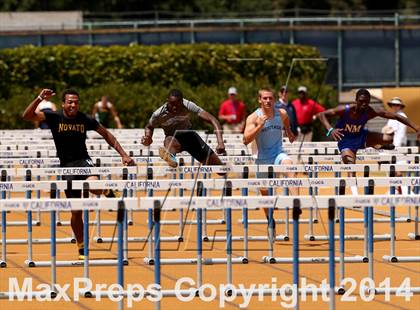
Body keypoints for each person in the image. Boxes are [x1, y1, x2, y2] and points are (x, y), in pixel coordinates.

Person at [22, 88, 134, 260]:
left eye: (76, 102)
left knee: (94, 185)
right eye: (70, 102)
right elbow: (27, 116)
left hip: (84, 161)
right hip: (66, 167)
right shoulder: (54, 117)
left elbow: (106, 134)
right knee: (76, 212)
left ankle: (105, 191)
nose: (73, 104)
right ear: (63, 104)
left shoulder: (85, 119)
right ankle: (82, 247)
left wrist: (124, 154)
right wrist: (39, 99)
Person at [318, 89, 420, 195]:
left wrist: (416, 127)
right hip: (346, 141)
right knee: (350, 164)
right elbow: (322, 115)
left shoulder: (369, 111)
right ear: (356, 100)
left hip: (361, 137)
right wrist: (330, 129)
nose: (364, 104)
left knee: (388, 139)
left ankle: (376, 145)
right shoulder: (345, 110)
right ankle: (355, 195)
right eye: (361, 101)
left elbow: (396, 116)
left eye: (367, 101)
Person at [243, 88, 299, 237]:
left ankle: (296, 203)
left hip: (278, 154)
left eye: (270, 98)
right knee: (265, 193)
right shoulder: (253, 117)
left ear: (274, 100)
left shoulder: (281, 113)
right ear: (259, 100)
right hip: (262, 158)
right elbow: (245, 140)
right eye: (265, 98)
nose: (268, 101)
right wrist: (260, 125)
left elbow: (286, 122)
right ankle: (270, 219)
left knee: (291, 167)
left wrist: (289, 132)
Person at [141, 89, 226, 168]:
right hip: (173, 139)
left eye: (177, 105)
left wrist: (220, 142)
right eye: (172, 104)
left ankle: (223, 167)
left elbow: (213, 120)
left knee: (220, 169)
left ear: (182, 102)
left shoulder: (188, 105)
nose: (174, 108)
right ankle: (171, 158)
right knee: (169, 140)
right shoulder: (158, 114)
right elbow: (149, 126)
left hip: (191, 138)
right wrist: (148, 137)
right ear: (167, 101)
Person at [382, 97, 408, 194]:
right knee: (388, 166)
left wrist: (396, 147)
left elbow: (397, 132)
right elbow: (388, 129)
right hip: (392, 145)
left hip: (398, 146)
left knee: (398, 169)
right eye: (393, 105)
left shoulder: (402, 116)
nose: (395, 106)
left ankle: (400, 189)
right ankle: (395, 188)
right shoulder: (393, 116)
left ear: (400, 106)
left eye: (397, 105)